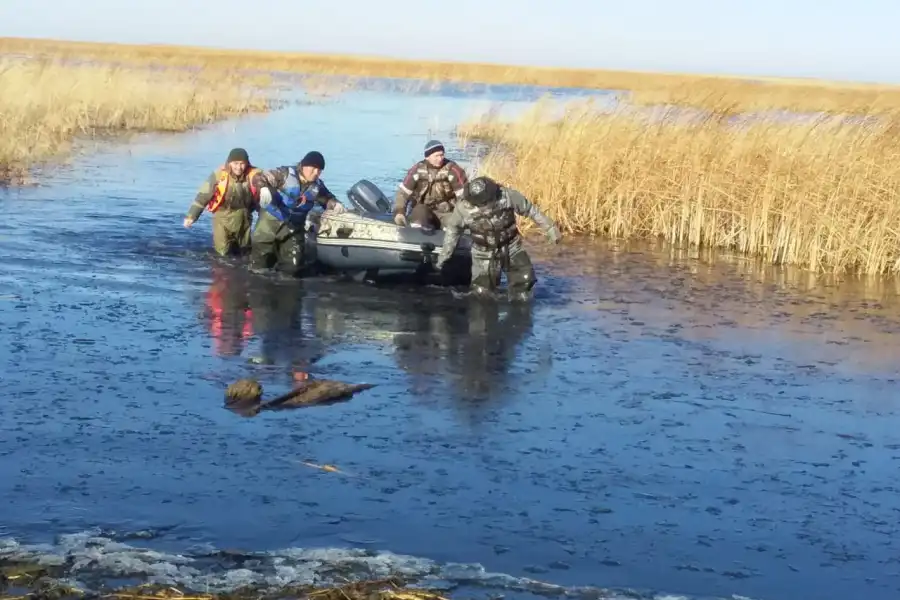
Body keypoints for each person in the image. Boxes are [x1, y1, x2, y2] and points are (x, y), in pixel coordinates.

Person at [435, 176, 562, 300]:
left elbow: (530, 210)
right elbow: (453, 230)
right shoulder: (463, 208)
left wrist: (550, 228)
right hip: (482, 252)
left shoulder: (507, 196)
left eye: (485, 201)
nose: (483, 205)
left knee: (524, 283)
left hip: (512, 246)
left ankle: (520, 315)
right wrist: (445, 256)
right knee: (482, 293)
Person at [248, 151, 345, 276]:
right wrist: (263, 188)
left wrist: (335, 204)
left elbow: (327, 198)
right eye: (313, 168)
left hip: (294, 227)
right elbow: (259, 177)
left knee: (293, 267)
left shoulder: (318, 187)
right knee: (260, 264)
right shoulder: (284, 174)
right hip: (270, 222)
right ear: (304, 165)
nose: (316, 173)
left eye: (319, 170)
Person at [183, 147, 262, 257]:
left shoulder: (255, 175)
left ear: (247, 163)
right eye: (235, 163)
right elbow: (203, 196)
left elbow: (266, 197)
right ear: (229, 163)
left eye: (242, 163)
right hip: (222, 218)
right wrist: (191, 216)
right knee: (222, 254)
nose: (239, 167)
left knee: (244, 253)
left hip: (245, 219)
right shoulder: (219, 175)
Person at [393, 139, 468, 230]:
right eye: (436, 156)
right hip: (423, 211)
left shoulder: (453, 170)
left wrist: (465, 216)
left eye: (442, 155)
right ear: (427, 157)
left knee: (456, 223)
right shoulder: (416, 170)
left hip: (446, 213)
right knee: (419, 211)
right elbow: (403, 193)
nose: (440, 159)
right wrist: (399, 212)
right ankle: (416, 234)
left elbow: (464, 197)